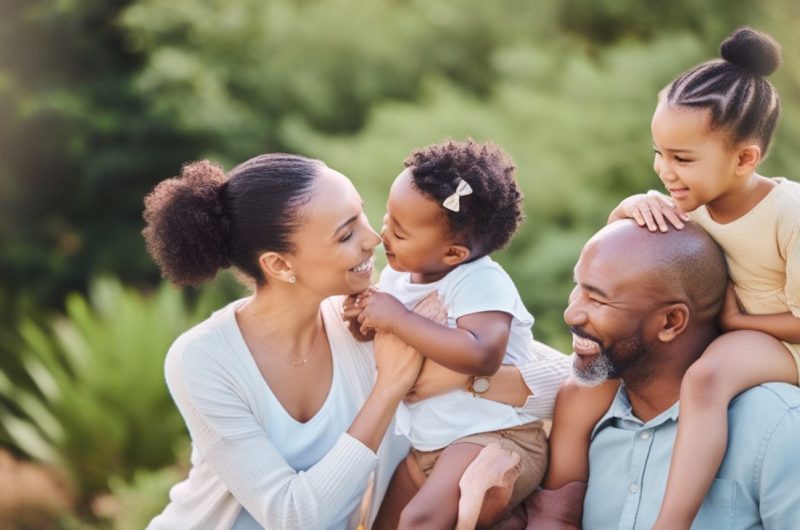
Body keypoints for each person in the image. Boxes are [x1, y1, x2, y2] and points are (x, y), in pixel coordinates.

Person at [141, 153, 565, 529]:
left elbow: (562, 381)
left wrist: (459, 380)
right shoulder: (204, 358)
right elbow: (293, 518)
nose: (374, 239)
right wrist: (389, 389)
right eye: (346, 234)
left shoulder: (374, 318)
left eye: (362, 214)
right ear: (278, 264)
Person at [543, 27, 800, 530]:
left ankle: (671, 521)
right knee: (580, 391)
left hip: (785, 341)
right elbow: (634, 259)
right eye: (659, 153)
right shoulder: (695, 206)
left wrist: (735, 318)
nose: (665, 171)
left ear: (745, 158)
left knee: (705, 380)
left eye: (682, 159)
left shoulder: (788, 213)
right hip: (738, 334)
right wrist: (628, 208)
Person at [513, 220, 800, 529]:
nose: (571, 313)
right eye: (577, 287)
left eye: (597, 299)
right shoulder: (586, 415)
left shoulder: (778, 424)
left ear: (670, 322)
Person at [348, 140, 550, 530]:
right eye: (388, 218)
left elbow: (483, 354)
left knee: (420, 520)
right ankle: (497, 518)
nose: (384, 233)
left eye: (400, 232)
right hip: (428, 447)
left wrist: (398, 318)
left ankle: (499, 503)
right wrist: (363, 321)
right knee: (382, 523)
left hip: (496, 436)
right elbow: (386, 339)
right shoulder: (396, 276)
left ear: (454, 254)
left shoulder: (480, 280)